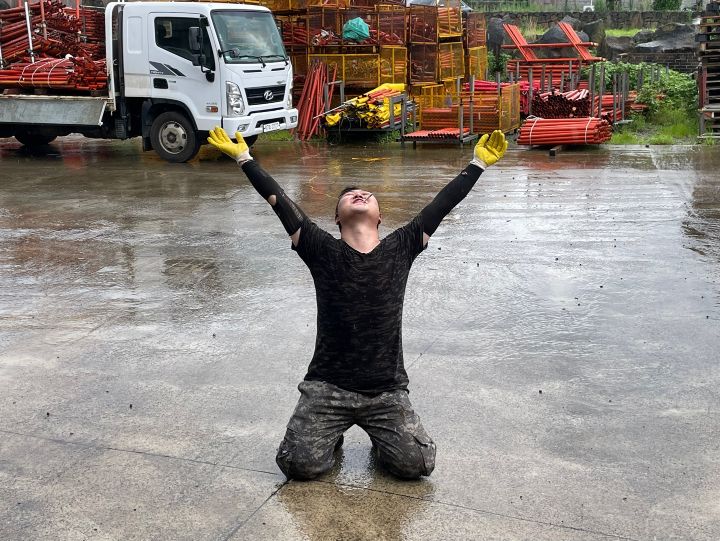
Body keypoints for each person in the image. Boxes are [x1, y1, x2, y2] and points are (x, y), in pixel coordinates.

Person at [207, 127, 508, 480]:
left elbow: (442, 204)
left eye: (366, 194)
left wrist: (477, 164)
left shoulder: (402, 246)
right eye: (349, 195)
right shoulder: (320, 248)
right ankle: (329, 437)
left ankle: (383, 442)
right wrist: (245, 159)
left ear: (380, 217)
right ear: (336, 217)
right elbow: (279, 200)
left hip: (385, 391)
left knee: (417, 464)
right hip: (327, 387)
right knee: (298, 464)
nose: (359, 193)